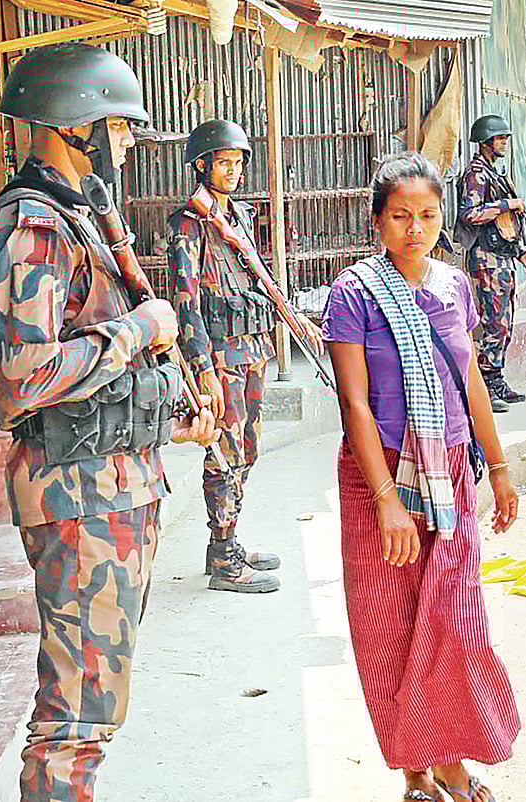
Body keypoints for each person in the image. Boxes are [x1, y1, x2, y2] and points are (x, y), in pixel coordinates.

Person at [0, 43, 220, 802]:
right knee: (77, 715)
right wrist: (142, 329)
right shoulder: (32, 228)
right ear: (80, 126)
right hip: (80, 502)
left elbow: (90, 383)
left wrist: (167, 412)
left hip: (109, 485)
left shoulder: (78, 216)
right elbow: (23, 380)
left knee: (94, 706)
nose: (130, 143)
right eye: (123, 127)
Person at [322, 151, 522, 802]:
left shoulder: (455, 286)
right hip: (376, 480)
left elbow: (470, 382)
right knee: (387, 626)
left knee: (456, 621)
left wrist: (499, 468)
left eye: (429, 215)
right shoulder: (354, 291)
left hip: (450, 478)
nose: (416, 228)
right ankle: (416, 770)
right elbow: (353, 401)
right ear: (378, 221)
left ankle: (454, 762)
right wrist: (385, 501)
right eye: (401, 216)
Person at [166, 120, 323, 593]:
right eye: (224, 162)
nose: (232, 171)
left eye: (238, 163)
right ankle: (224, 559)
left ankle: (228, 542)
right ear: (201, 165)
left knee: (248, 452)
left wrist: (293, 323)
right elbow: (185, 302)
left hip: (251, 349)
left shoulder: (235, 218)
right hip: (220, 359)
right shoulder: (188, 225)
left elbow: (257, 284)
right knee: (223, 455)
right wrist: (202, 369)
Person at [455, 114, 526, 413]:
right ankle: (482, 385)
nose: (504, 142)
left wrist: (523, 251)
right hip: (485, 259)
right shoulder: (476, 175)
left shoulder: (494, 173)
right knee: (493, 323)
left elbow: (507, 223)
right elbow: (469, 214)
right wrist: (506, 204)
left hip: (502, 257)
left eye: (505, 138)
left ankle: (495, 378)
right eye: (500, 138)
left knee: (504, 323)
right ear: (486, 142)